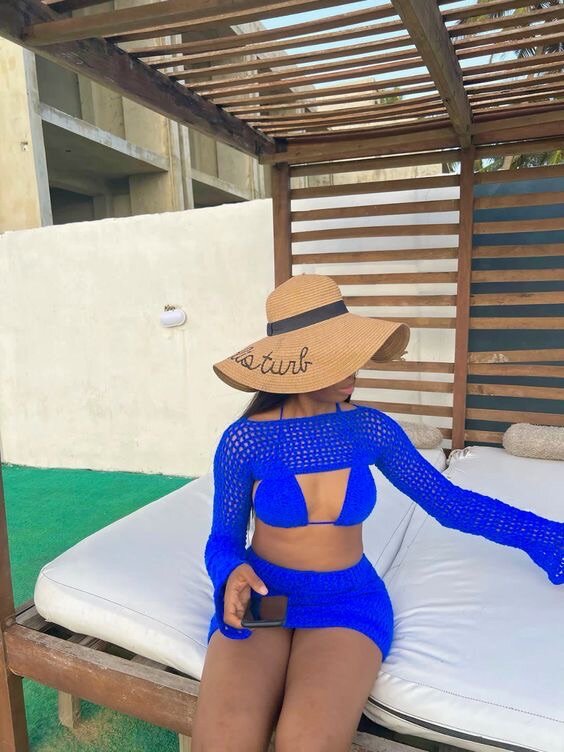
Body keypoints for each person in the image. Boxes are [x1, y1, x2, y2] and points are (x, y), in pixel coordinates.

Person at [191, 273, 563, 752]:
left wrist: (546, 535)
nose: (354, 369)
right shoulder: (244, 440)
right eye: (336, 357)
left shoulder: (371, 429)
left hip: (347, 600)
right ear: (297, 365)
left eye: (354, 353)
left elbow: (449, 503)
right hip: (263, 596)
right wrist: (229, 571)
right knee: (223, 741)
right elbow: (223, 539)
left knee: (307, 743)